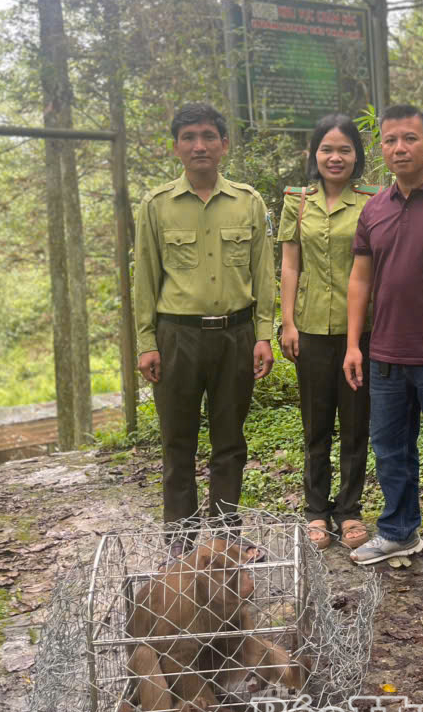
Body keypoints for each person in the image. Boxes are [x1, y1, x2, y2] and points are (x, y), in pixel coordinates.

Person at [342, 104, 423, 581]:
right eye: (390, 140)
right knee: (389, 449)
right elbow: (360, 279)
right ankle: (399, 530)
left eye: (410, 139)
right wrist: (354, 344)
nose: (400, 148)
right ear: (381, 148)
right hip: (385, 355)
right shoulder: (374, 208)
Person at [133, 103, 275, 540]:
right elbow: (145, 278)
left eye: (209, 136)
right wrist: (146, 342)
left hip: (236, 335)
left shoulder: (248, 202)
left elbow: (263, 274)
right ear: (175, 147)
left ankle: (226, 533)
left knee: (230, 441)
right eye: (189, 137)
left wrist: (264, 335)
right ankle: (181, 538)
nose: (200, 146)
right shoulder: (156, 205)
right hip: (177, 336)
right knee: (178, 442)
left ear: (224, 144)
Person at [277, 113, 379, 551]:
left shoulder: (373, 201)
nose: (335, 157)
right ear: (313, 154)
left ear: (356, 156)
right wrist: (288, 323)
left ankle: (350, 511)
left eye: (344, 150)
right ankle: (316, 510)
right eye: (327, 149)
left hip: (362, 331)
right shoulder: (298, 201)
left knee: (356, 426)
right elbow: (290, 264)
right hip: (312, 329)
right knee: (316, 426)